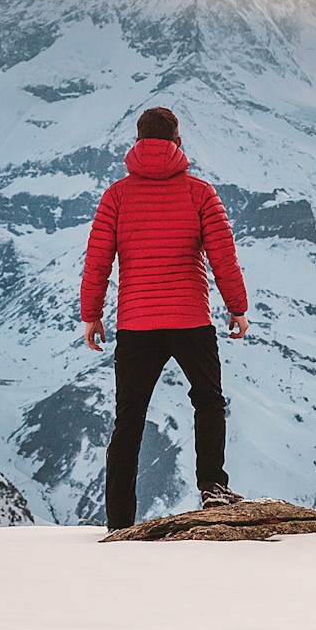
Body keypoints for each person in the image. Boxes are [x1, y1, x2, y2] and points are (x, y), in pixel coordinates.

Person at [80, 105, 250, 530]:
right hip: (190, 319)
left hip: (136, 324)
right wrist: (237, 308)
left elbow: (98, 260)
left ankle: (120, 520)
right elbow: (222, 256)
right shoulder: (200, 192)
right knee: (208, 401)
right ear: (178, 141)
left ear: (137, 142)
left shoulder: (116, 195)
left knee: (129, 419)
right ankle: (213, 487)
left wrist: (92, 314)